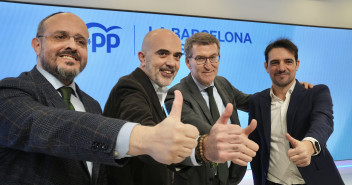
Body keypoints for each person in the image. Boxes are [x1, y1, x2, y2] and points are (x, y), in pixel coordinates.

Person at [0, 12, 199, 185]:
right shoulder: (10, 92)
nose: (72, 46)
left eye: (80, 41)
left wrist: (202, 150)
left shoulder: (91, 105)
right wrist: (145, 137)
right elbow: (49, 126)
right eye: (60, 37)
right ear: (37, 45)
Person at [165, 32, 259, 185]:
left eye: (213, 57)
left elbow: (252, 102)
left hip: (231, 178)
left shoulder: (223, 83)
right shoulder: (176, 95)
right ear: (188, 62)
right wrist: (234, 141)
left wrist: (291, 91)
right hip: (198, 179)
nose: (209, 65)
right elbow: (202, 130)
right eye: (201, 59)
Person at [248, 38, 344, 185]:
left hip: (315, 180)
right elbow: (257, 148)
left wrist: (308, 146)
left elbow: (323, 121)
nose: (281, 68)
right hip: (272, 181)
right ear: (266, 66)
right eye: (275, 62)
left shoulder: (316, 93)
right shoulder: (257, 101)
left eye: (288, 61)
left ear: (297, 64)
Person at [103, 29, 183, 185]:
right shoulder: (130, 87)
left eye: (177, 56)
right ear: (142, 57)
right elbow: (149, 140)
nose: (172, 62)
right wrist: (202, 148)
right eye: (163, 54)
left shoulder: (151, 88)